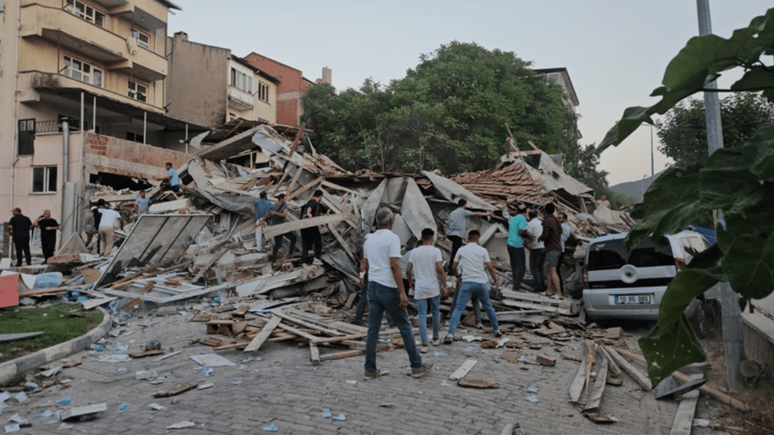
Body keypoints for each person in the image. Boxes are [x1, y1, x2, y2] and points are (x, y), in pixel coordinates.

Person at [362, 207, 433, 380]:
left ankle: (369, 369)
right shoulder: (392, 238)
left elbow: (365, 261)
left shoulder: (369, 239)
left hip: (373, 285)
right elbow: (394, 265)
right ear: (391, 222)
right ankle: (416, 365)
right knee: (404, 326)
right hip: (388, 287)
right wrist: (402, 292)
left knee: (373, 330)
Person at [444, 230, 502, 343]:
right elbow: (490, 267)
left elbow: (454, 266)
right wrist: (495, 281)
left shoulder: (461, 250)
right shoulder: (483, 250)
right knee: (488, 306)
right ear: (478, 239)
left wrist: (458, 276)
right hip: (480, 283)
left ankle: (450, 334)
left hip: (466, 283)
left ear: (467, 238)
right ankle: (497, 330)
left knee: (458, 308)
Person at [406, 228, 448, 353]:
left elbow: (408, 270)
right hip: (433, 286)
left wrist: (410, 282)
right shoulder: (436, 251)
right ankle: (435, 338)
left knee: (422, 315)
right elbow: (440, 270)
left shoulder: (414, 252)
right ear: (432, 238)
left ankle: (424, 343)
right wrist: (445, 285)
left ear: (421, 237)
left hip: (420, 287)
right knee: (435, 311)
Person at [446, 199, 492, 274]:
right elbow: (476, 213)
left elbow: (449, 223)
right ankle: (451, 271)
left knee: (455, 251)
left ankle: (453, 269)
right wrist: (488, 214)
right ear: (465, 205)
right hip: (457, 234)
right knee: (455, 253)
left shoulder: (452, 212)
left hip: (450, 234)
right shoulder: (463, 212)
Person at [539, 203, 563, 298]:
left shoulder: (547, 220)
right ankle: (548, 290)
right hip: (556, 247)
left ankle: (559, 293)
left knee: (552, 271)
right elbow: (560, 231)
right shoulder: (556, 220)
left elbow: (545, 235)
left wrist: (539, 238)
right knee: (548, 270)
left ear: (545, 210)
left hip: (551, 248)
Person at [263, 194, 296, 261]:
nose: (286, 200)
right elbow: (266, 216)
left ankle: (290, 253)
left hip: (282, 227)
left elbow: (284, 215)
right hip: (276, 227)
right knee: (277, 244)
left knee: (293, 238)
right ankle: (274, 259)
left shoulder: (285, 206)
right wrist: (264, 221)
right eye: (285, 199)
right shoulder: (272, 206)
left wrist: (275, 213)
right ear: (281, 198)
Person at [300, 190, 328, 265]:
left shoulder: (318, 205)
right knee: (318, 241)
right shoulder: (312, 202)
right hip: (310, 224)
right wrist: (309, 214)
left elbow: (325, 212)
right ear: (320, 196)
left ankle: (305, 260)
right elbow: (309, 209)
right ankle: (317, 258)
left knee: (306, 242)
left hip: (303, 225)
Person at [506, 205, 529, 291]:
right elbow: (520, 231)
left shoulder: (513, 219)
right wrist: (528, 235)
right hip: (517, 244)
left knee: (514, 267)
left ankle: (515, 285)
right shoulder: (522, 218)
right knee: (521, 268)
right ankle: (516, 287)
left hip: (509, 243)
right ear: (525, 212)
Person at [526, 209, 546, 293]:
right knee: (541, 267)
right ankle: (543, 285)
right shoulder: (541, 222)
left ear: (529, 216)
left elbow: (529, 236)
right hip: (544, 247)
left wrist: (528, 244)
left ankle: (538, 286)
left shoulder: (530, 224)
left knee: (534, 268)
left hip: (536, 247)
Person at [557, 212, 576, 296]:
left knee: (553, 271)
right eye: (557, 217)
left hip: (556, 250)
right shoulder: (569, 227)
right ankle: (560, 290)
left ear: (564, 219)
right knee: (557, 271)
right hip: (562, 251)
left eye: (560, 218)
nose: (558, 219)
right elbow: (575, 237)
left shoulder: (558, 227)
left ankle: (557, 291)